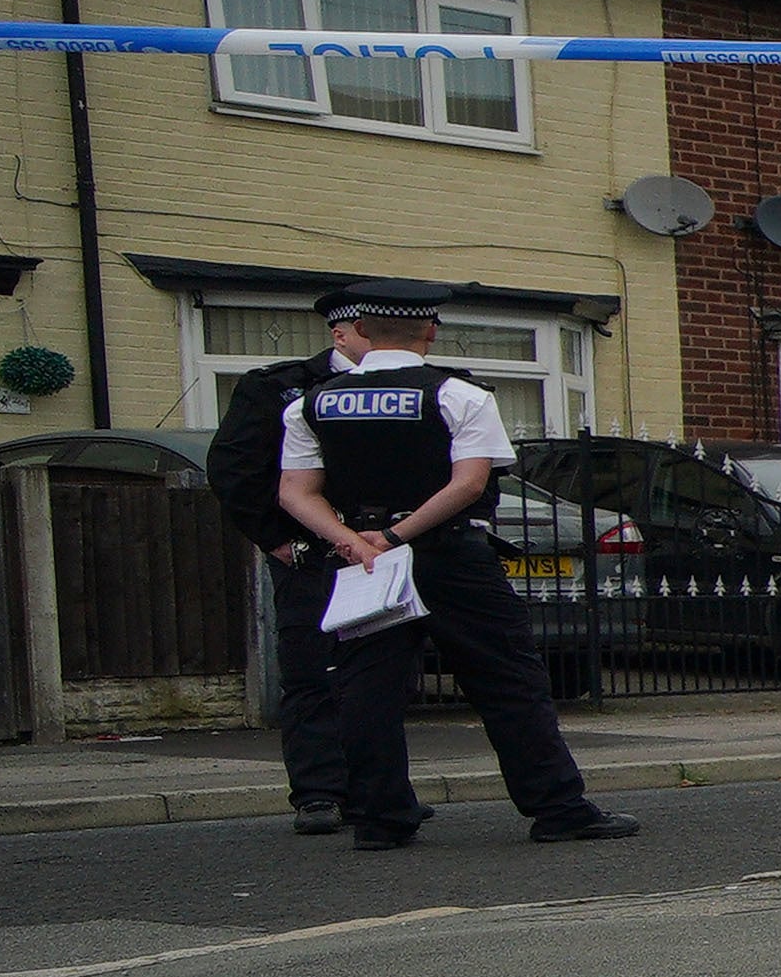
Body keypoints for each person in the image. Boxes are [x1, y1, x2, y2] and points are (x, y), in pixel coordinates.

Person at [271, 283, 636, 851]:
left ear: (361, 331)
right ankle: (557, 807)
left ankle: (380, 819)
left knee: (367, 691)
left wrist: (358, 542)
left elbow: (295, 493)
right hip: (449, 557)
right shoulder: (457, 395)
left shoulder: (311, 402)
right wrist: (397, 535)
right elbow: (467, 485)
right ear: (430, 331)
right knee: (509, 681)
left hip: (366, 564)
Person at [200, 293, 355, 834]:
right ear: (342, 333)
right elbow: (233, 468)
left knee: (381, 674)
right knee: (313, 671)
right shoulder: (276, 387)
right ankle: (318, 794)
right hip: (311, 553)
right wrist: (274, 538)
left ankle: (377, 790)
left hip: (387, 549)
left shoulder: (413, 386)